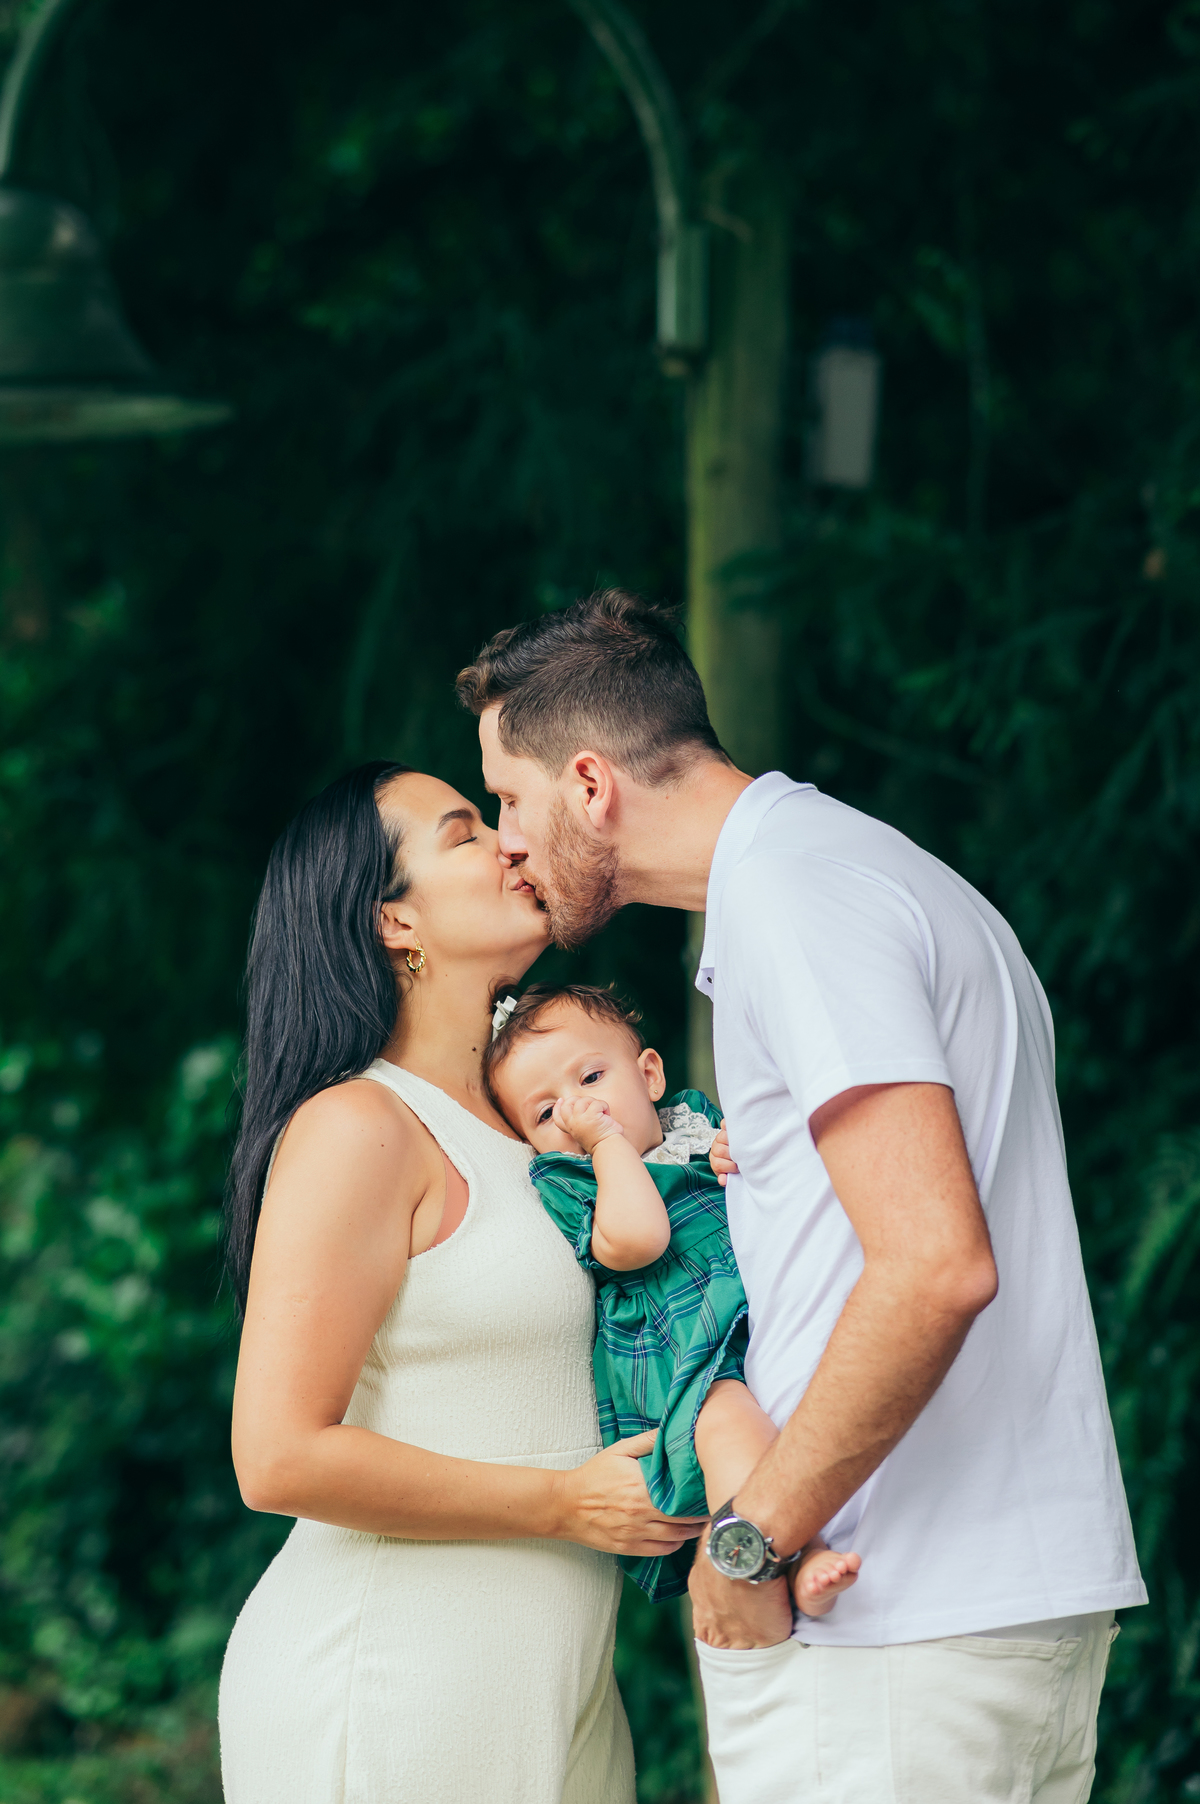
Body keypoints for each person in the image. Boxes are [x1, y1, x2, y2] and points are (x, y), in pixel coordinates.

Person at [457, 590, 1147, 1804]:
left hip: (898, 1619)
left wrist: (750, 1534)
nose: (505, 840)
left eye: (508, 800)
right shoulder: (853, 872)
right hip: (974, 1602)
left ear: (588, 783)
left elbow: (935, 1264)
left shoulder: (797, 899)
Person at [217, 761, 704, 1804]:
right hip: (399, 1676)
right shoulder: (359, 1127)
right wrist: (566, 1502)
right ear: (395, 922)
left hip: (560, 1676)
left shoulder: (538, 1127)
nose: (511, 843)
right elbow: (276, 1455)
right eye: (464, 833)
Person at [484, 980, 861, 1614]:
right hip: (682, 1339)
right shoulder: (572, 1179)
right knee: (728, 1424)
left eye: (592, 1077)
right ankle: (789, 1552)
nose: (577, 1110)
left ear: (650, 1074)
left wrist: (740, 1154)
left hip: (758, 1308)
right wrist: (605, 1144)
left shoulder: (694, 1121)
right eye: (546, 1113)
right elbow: (640, 1238)